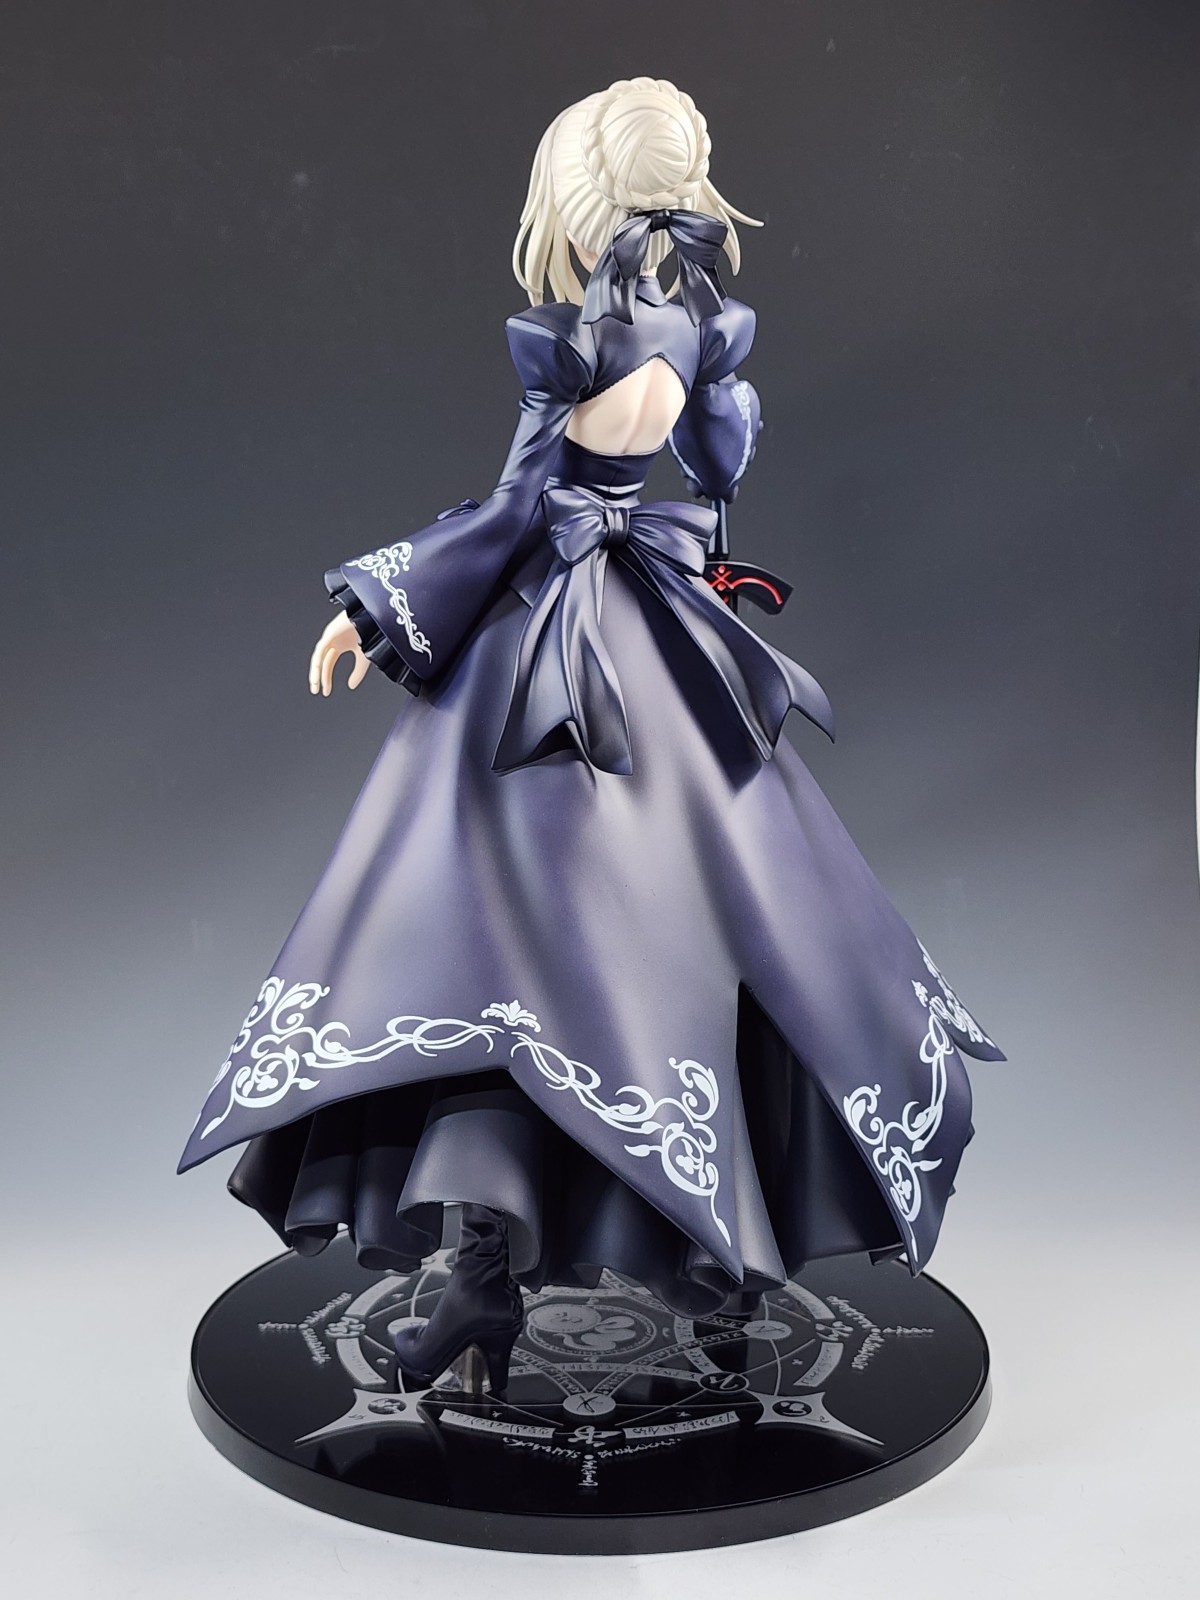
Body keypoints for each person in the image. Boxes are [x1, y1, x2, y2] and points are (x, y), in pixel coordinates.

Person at [179, 76, 1002, 1395]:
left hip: (554, 655)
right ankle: (716, 1261)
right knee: (708, 918)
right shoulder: (694, 324)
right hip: (651, 624)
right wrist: (698, 568)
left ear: (571, 201)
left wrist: (374, 607)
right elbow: (707, 481)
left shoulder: (578, 337)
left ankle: (493, 1276)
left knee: (500, 944)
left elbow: (515, 510)